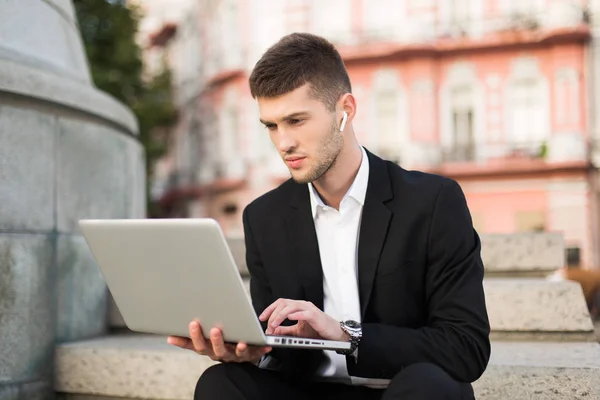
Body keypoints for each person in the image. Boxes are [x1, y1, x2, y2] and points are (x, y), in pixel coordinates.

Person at [168, 32, 491, 400]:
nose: (283, 142)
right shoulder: (264, 218)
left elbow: (466, 348)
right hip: (311, 390)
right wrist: (253, 353)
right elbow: (282, 354)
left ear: (345, 111)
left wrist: (346, 334)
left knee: (428, 389)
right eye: (271, 126)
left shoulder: (432, 202)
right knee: (220, 384)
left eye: (296, 120)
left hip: (401, 389)